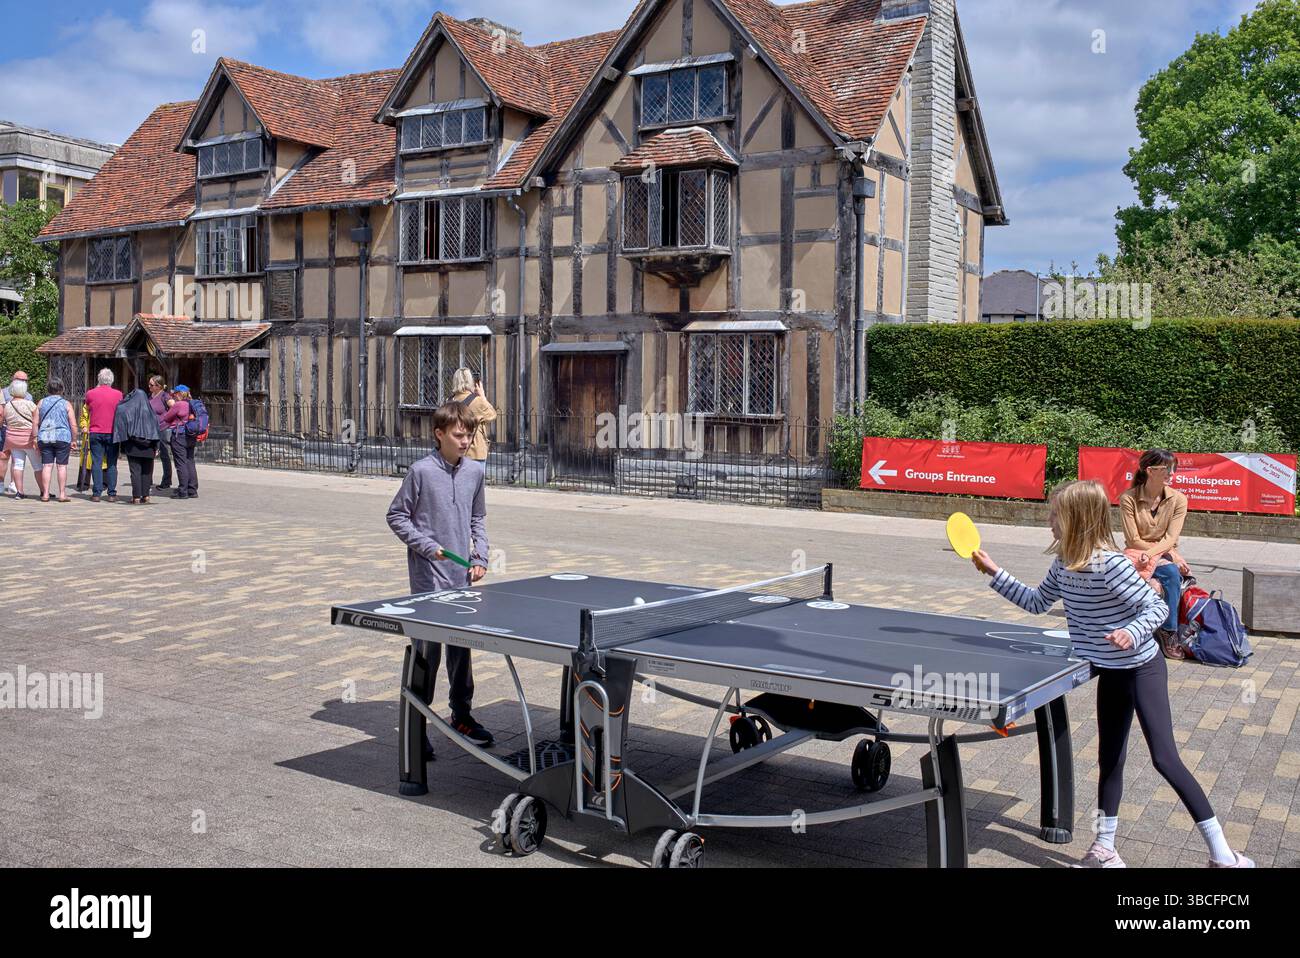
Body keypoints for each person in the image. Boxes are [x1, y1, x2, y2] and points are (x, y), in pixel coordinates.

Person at [970, 480, 1253, 869]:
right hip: (1110, 673)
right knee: (1109, 759)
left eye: (1056, 514)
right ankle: (1105, 849)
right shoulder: (1065, 564)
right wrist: (995, 572)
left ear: (1076, 520)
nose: (1049, 520)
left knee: (1165, 759)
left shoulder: (1111, 564)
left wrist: (1131, 631)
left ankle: (1223, 854)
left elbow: (1155, 608)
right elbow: (1036, 603)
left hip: (1141, 669)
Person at [386, 401, 493, 749]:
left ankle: (461, 715)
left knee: (461, 653)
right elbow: (397, 516)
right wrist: (425, 545)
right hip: (427, 582)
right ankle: (417, 725)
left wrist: (481, 557)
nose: (465, 442)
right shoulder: (420, 472)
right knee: (426, 655)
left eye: (469, 436)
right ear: (439, 434)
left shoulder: (475, 472)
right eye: (459, 435)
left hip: (460, 581)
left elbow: (478, 519)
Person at [1119, 449, 1190, 657]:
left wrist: (1160, 554)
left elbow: (1170, 539)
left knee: (1168, 575)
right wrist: (1160, 553)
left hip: (1163, 551)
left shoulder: (1179, 500)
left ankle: (1169, 631)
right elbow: (1132, 539)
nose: (1172, 473)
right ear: (1150, 471)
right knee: (1155, 582)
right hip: (1136, 550)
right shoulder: (1128, 498)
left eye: (1173, 468)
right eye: (1167, 469)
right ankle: (1140, 628)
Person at [113, 387, 161, 504]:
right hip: (149, 446)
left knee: (135, 472)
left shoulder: (127, 411)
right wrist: (156, 446)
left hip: (133, 445)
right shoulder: (151, 413)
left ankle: (136, 497)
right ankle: (146, 496)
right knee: (147, 472)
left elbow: (120, 412)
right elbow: (156, 430)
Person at [36, 377, 79, 503]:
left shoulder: (41, 403)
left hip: (45, 437)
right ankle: (62, 494)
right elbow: (73, 424)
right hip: (62, 437)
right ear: (62, 389)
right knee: (62, 466)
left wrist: (34, 437)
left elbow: (35, 422)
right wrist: (74, 439)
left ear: (48, 389)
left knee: (47, 465)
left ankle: (45, 494)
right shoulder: (66, 404)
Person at [84, 368, 123, 502]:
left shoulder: (90, 393)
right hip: (112, 431)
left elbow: (88, 408)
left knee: (96, 463)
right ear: (111, 380)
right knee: (112, 463)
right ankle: (111, 493)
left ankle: (96, 493)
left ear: (99, 379)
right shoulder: (118, 394)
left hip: (96, 431)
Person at [1, 375, 42, 500]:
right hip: (28, 438)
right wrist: (36, 436)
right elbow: (36, 421)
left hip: (13, 439)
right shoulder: (30, 404)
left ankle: (20, 492)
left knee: (18, 465)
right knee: (37, 466)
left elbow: (4, 421)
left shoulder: (8, 405)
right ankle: (44, 491)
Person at [448, 368, 497, 463]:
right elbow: (492, 414)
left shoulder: (449, 401)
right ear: (470, 381)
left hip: (454, 450)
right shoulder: (476, 401)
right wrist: (482, 396)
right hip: (474, 452)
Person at [159, 385, 197, 500]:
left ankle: (183, 491)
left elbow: (166, 417)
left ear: (179, 393)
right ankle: (192, 489)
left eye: (174, 394)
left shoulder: (179, 404)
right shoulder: (193, 404)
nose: (173, 396)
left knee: (180, 463)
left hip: (179, 435)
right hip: (191, 435)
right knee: (190, 461)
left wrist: (171, 407)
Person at [2, 369, 32, 495]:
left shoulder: (28, 396)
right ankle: (0, 483)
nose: (24, 382)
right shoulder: (3, 392)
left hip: (22, 431)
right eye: (21, 380)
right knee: (3, 457)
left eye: (25, 380)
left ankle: (13, 483)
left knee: (17, 459)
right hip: (4, 428)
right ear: (13, 379)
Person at [146, 375, 174, 490]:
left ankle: (166, 481)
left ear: (158, 386)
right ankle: (147, 479)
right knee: (149, 454)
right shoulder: (150, 396)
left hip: (162, 428)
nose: (149, 386)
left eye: (151, 385)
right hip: (151, 429)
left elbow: (175, 406)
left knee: (164, 455)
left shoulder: (165, 396)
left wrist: (167, 419)